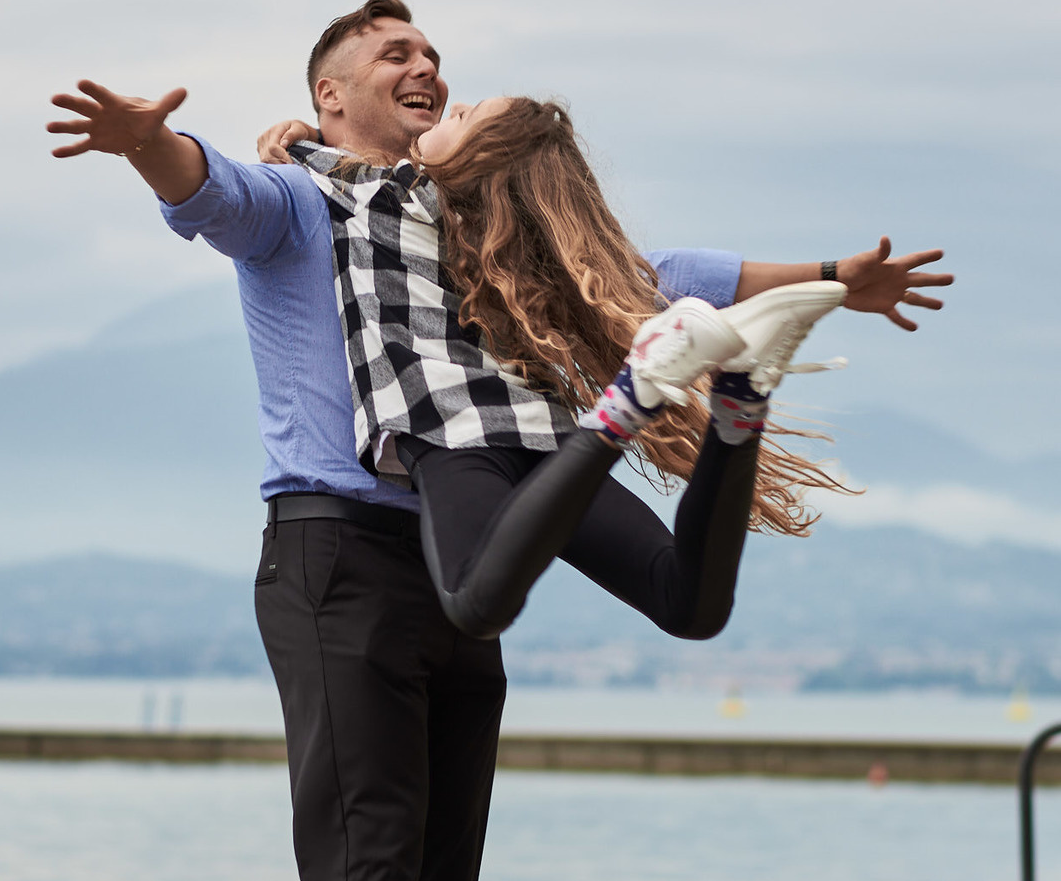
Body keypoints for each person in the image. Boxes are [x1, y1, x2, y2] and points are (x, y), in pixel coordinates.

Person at [46, 0, 951, 881]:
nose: (423, 67)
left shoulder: (478, 219)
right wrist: (144, 139)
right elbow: (207, 190)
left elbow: (670, 276)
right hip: (340, 553)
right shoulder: (300, 202)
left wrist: (841, 278)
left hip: (469, 541)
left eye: (433, 55)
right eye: (391, 56)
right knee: (369, 850)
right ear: (332, 98)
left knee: (441, 868)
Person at [296, 93, 851, 648]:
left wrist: (295, 137)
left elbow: (277, 166)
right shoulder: (514, 241)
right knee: (688, 604)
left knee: (474, 602)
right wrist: (826, 272)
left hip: (451, 428)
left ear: (473, 162)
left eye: (464, 118)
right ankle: (741, 395)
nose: (454, 104)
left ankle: (628, 403)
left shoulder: (382, 192)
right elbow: (657, 270)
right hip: (548, 436)